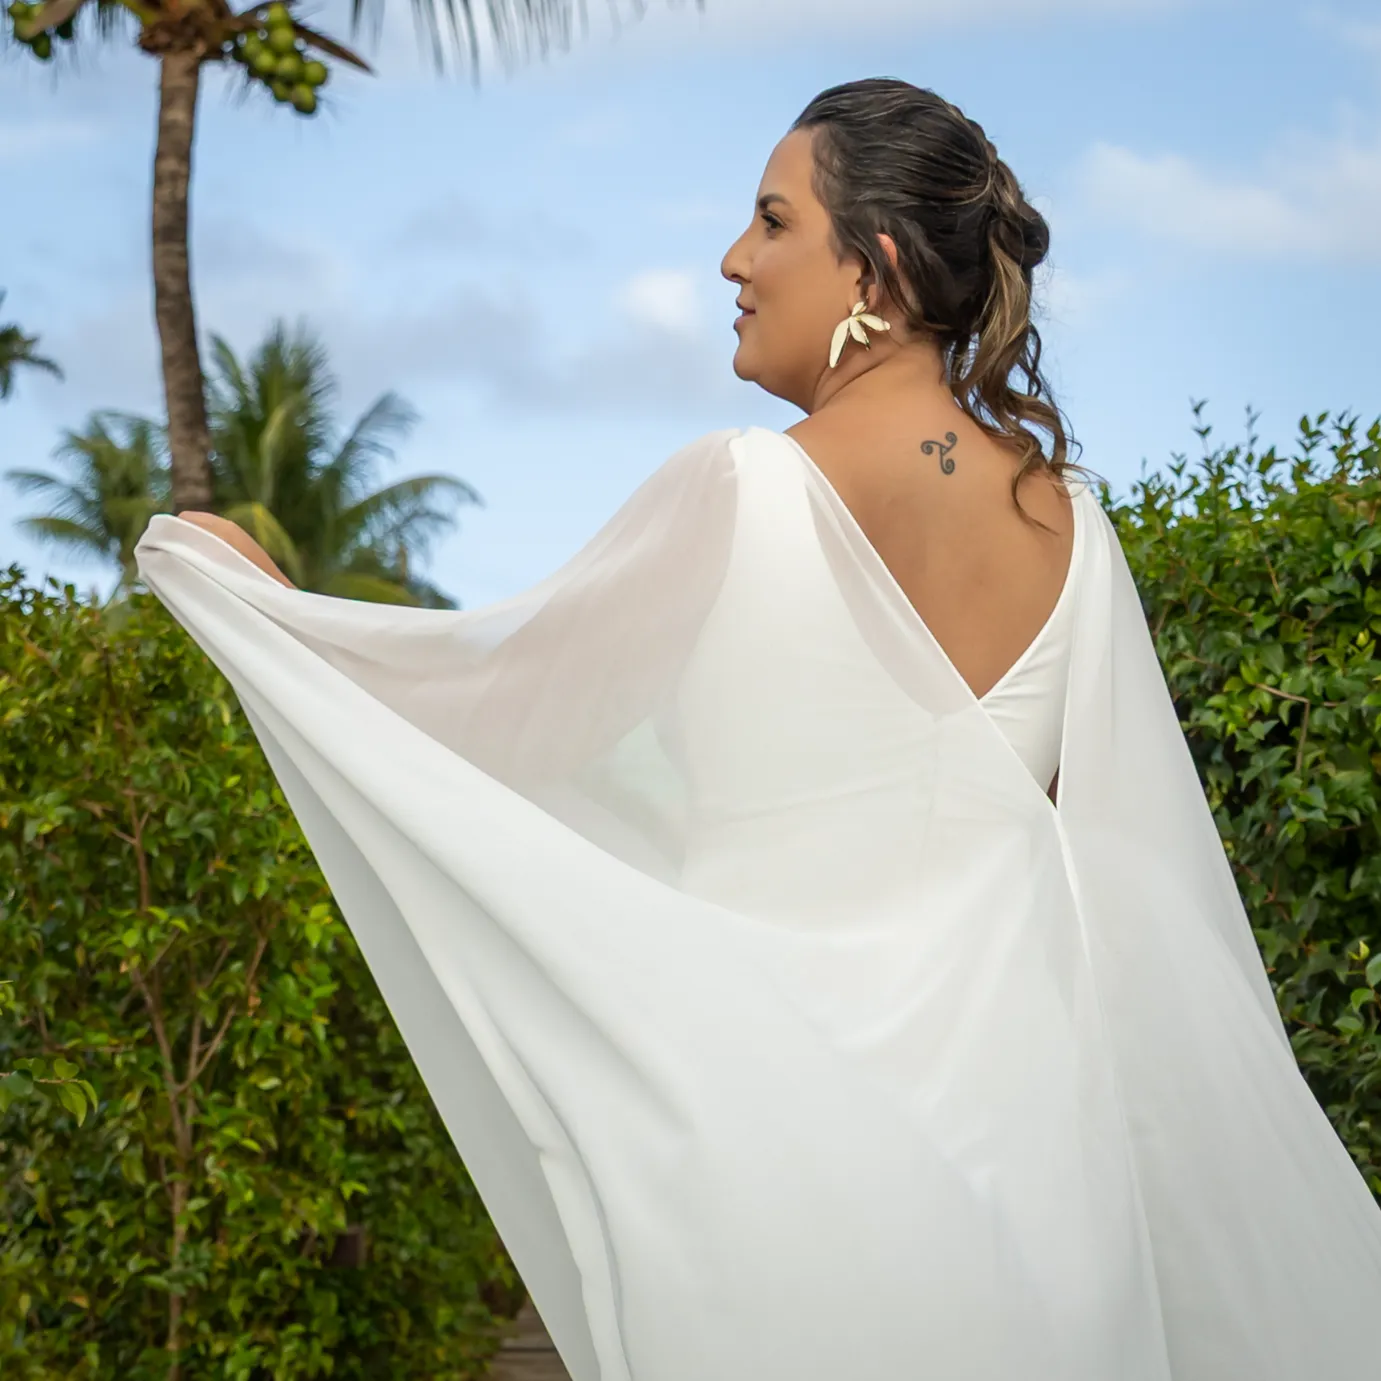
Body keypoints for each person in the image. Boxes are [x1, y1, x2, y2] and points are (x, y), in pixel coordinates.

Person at [137, 78, 1381, 1381]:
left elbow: (496, 730)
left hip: (783, 1178)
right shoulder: (1070, 526)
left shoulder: (746, 487)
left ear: (875, 269)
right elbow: (1123, 880)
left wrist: (270, 617)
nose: (734, 260)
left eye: (773, 221)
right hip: (1043, 1189)